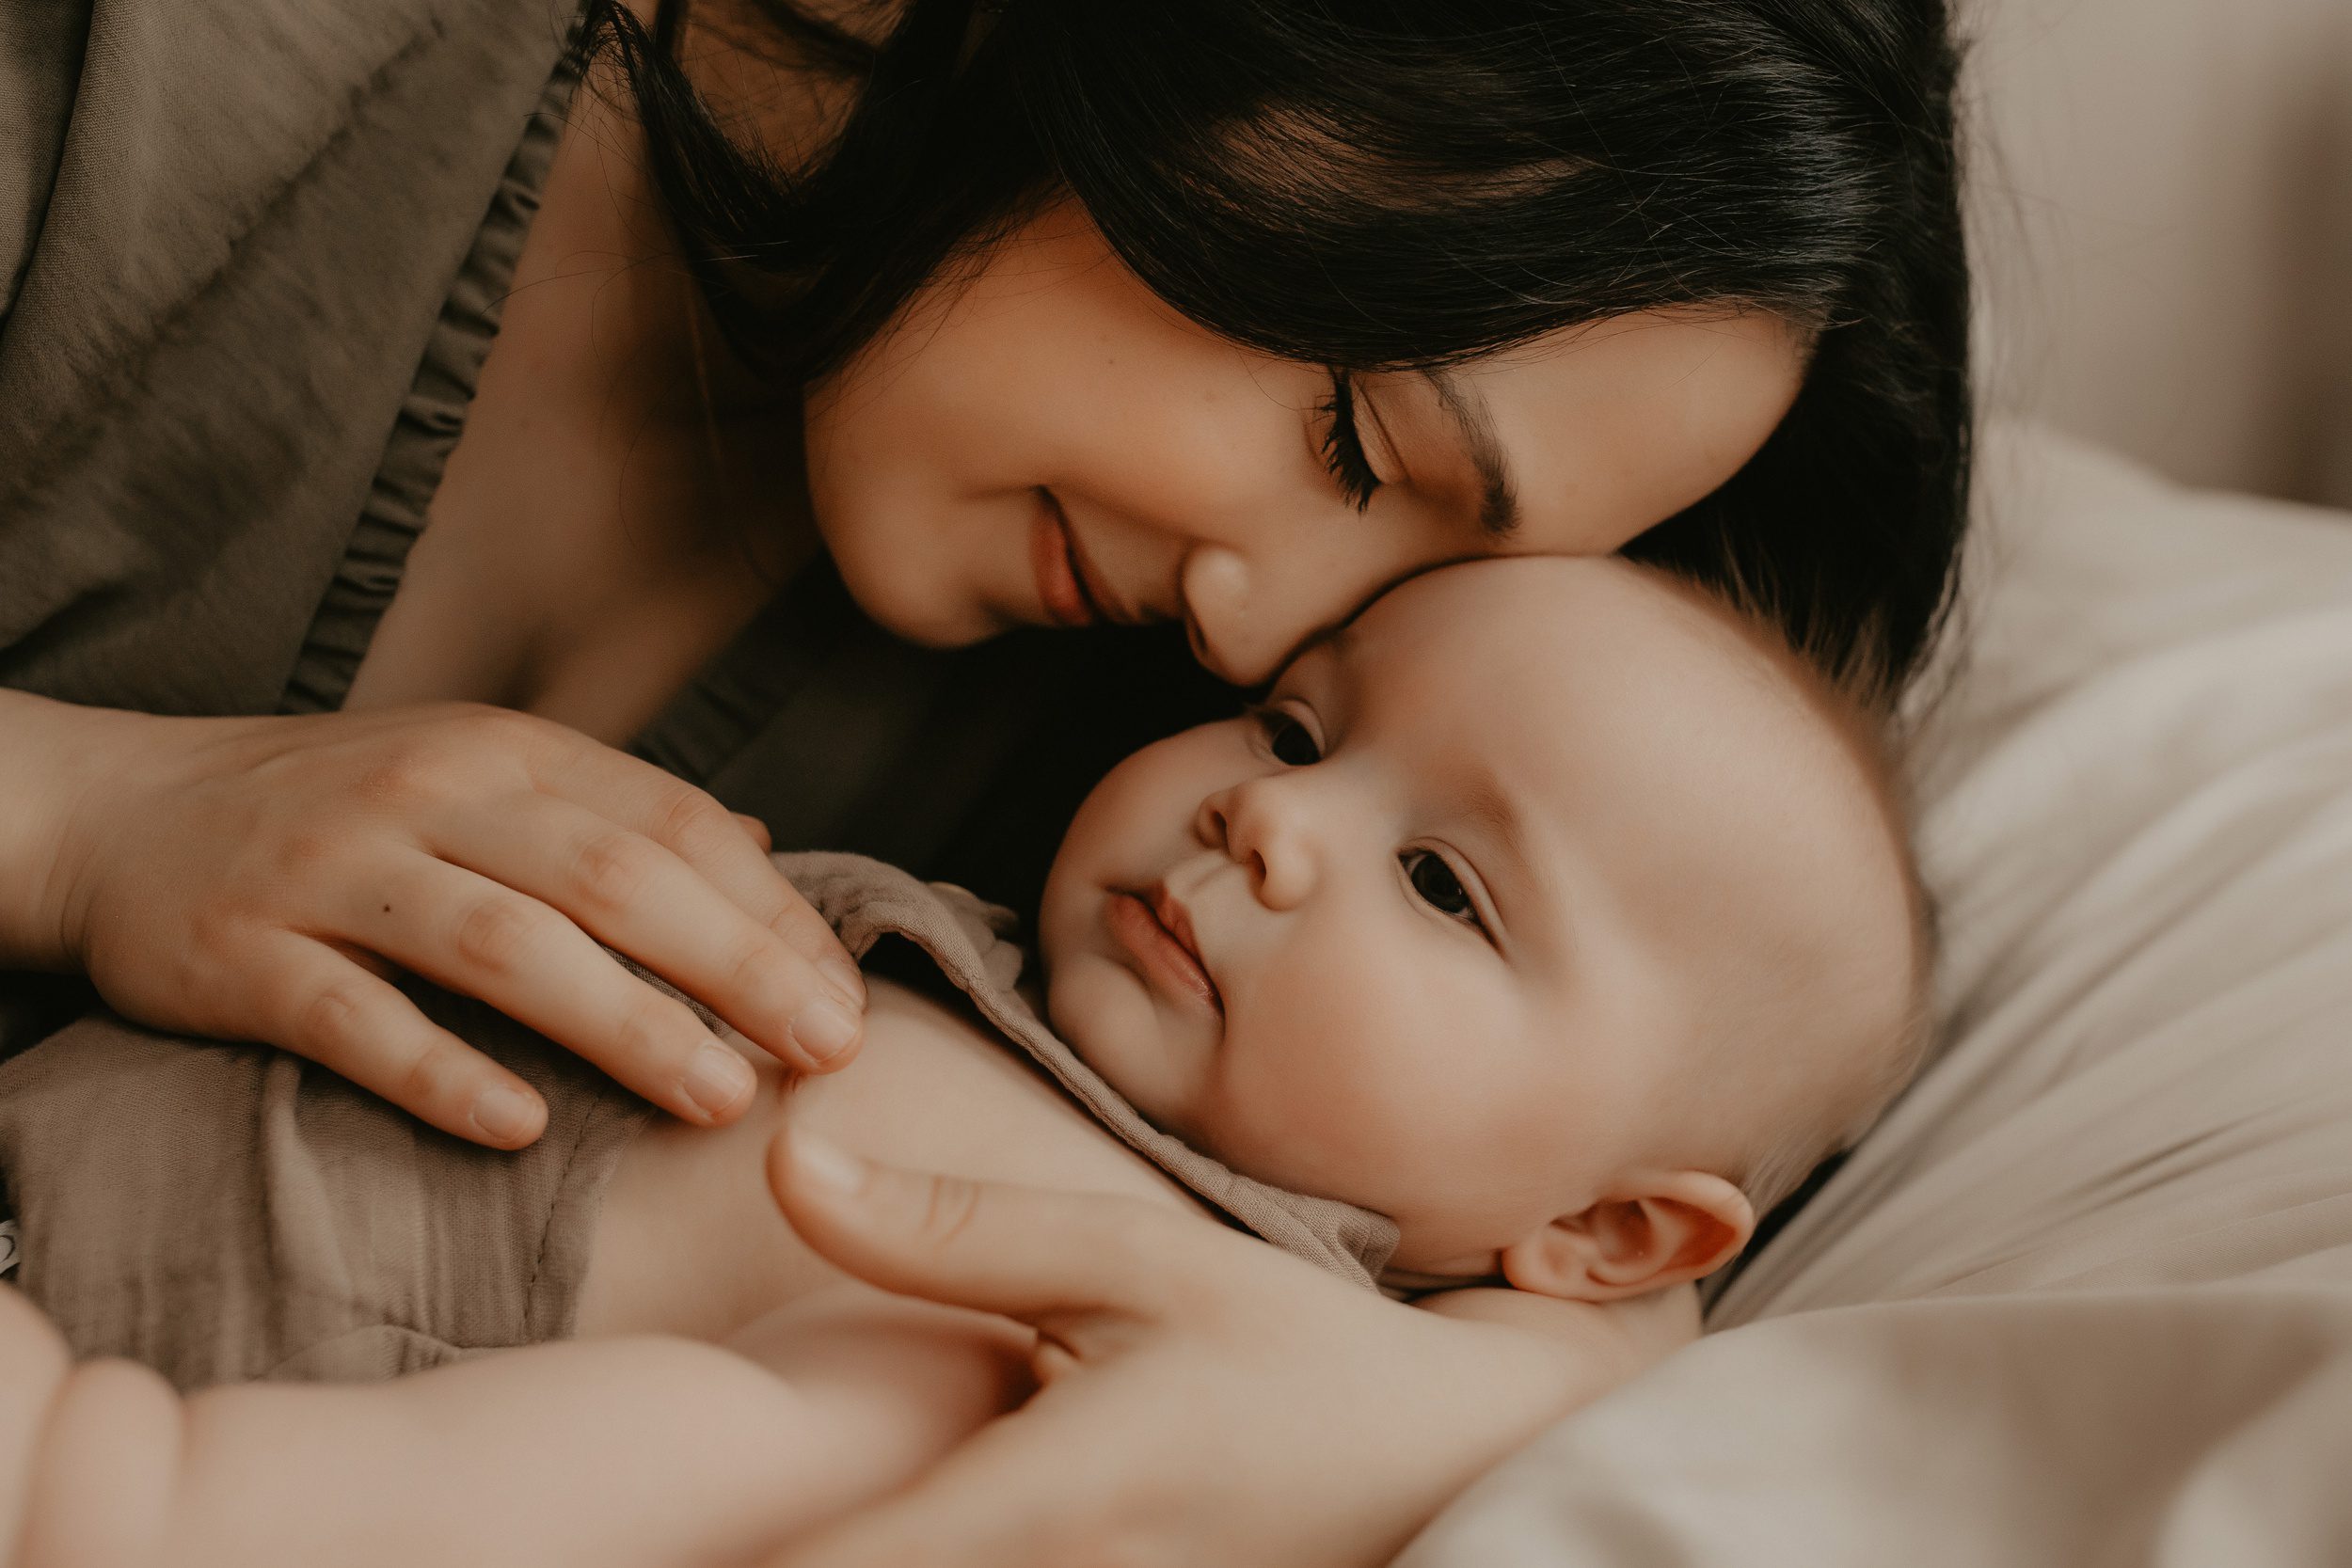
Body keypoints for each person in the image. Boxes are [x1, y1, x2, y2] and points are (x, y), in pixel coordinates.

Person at [0, 0, 1970, 1558]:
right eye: (1362, 445)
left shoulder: (1095, 760)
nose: (1246, 632)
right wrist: (81, 823)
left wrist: (1480, 1406)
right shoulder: (164, 83)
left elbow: (1617, 1108)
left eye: (1425, 575)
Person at [0, 555, 1932, 1563]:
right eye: (1289, 729)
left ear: (1602, 1231)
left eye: (1440, 885)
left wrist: (95, 1488)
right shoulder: (995, 972)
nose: (1275, 824)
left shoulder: (1094, 1345)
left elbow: (576, 1509)